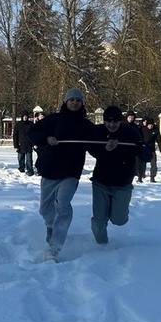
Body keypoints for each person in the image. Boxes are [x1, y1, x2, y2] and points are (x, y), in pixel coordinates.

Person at [28, 88, 94, 262]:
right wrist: (46, 138)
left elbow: (96, 144)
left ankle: (54, 248)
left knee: (63, 205)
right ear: (66, 102)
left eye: (78, 100)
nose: (75, 103)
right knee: (45, 209)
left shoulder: (85, 125)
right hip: (50, 170)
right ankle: (51, 225)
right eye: (72, 100)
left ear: (82, 103)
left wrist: (109, 145)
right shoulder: (54, 119)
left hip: (71, 172)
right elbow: (32, 132)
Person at [86, 105, 143, 245]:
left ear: (120, 121)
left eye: (115, 122)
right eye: (108, 121)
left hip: (123, 183)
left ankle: (118, 211)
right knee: (99, 219)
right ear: (104, 121)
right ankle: (101, 246)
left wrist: (141, 149)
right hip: (101, 181)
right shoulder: (98, 132)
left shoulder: (130, 133)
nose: (111, 125)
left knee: (119, 220)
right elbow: (92, 150)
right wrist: (105, 150)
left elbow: (145, 153)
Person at [137, 116, 161, 182]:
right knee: (142, 164)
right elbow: (139, 138)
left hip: (152, 149)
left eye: (151, 125)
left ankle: (152, 177)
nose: (150, 126)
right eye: (149, 125)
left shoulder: (155, 130)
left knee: (153, 164)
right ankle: (140, 176)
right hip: (144, 149)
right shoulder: (142, 129)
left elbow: (159, 141)